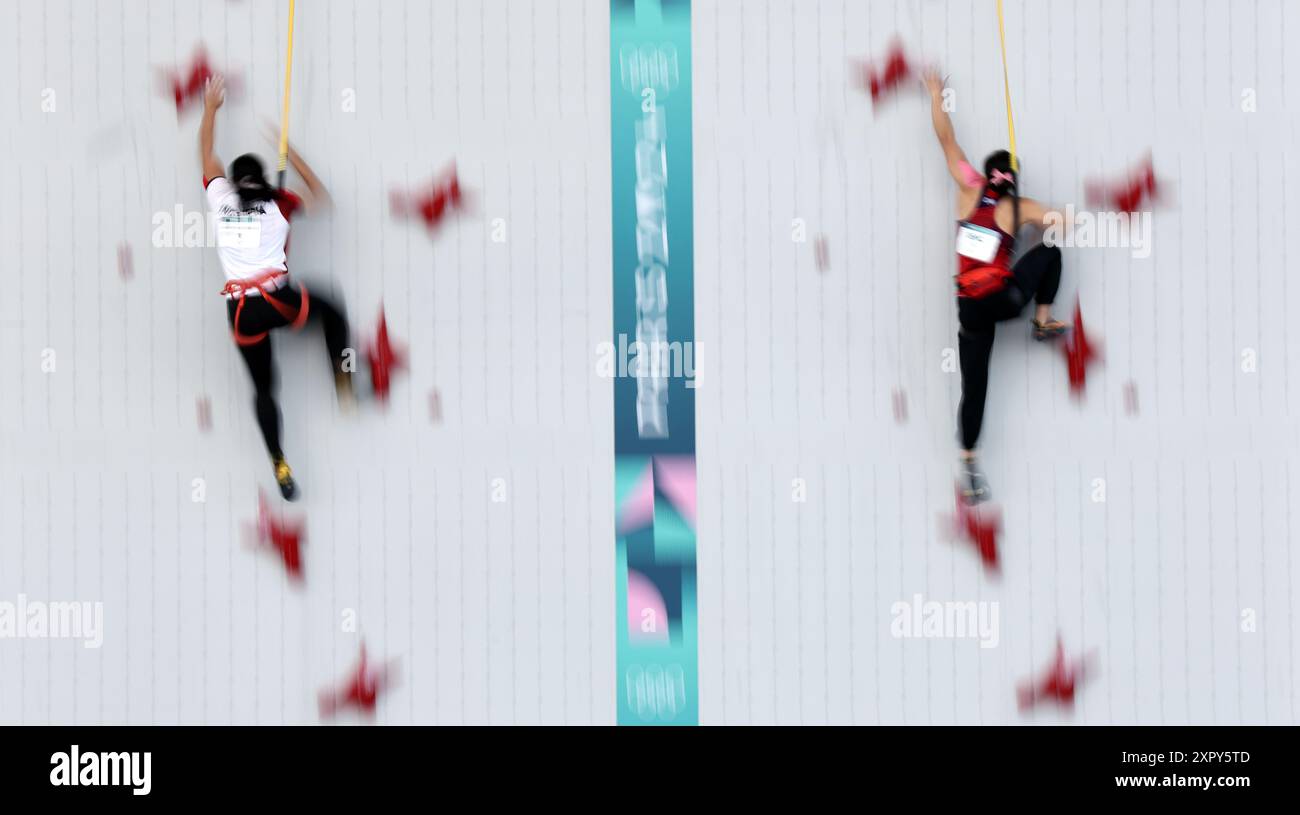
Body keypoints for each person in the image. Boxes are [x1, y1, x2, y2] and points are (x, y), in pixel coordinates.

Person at [199, 75, 354, 501]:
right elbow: (322, 197)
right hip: (279, 304)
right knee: (332, 310)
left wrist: (211, 109)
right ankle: (344, 381)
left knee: (265, 389)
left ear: (232, 182)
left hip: (243, 314)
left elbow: (206, 154)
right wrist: (292, 153)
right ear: (264, 179)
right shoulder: (280, 203)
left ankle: (279, 461)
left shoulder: (220, 200)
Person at [923, 70, 1069, 504]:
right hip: (1004, 301)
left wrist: (936, 94)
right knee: (1051, 254)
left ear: (985, 174)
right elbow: (1058, 222)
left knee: (975, 388)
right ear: (1014, 179)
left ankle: (969, 461)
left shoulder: (968, 189)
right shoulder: (1016, 206)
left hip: (970, 310)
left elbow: (946, 140)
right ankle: (1041, 323)